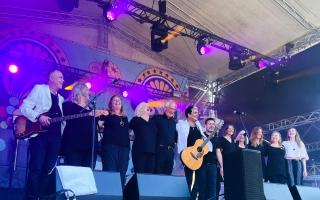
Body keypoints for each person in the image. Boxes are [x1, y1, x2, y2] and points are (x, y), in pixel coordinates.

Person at [19, 69, 65, 200]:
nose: (63, 80)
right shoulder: (40, 89)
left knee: (48, 170)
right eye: (60, 77)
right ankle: (31, 197)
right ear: (51, 78)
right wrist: (38, 117)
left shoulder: (61, 98)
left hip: (55, 139)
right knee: (36, 169)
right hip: (40, 137)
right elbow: (25, 107)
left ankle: (41, 196)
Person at [60, 83, 108, 168]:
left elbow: (97, 124)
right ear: (80, 91)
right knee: (74, 174)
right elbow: (72, 115)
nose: (89, 92)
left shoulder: (90, 108)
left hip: (90, 147)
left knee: (87, 175)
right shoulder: (69, 104)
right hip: (74, 146)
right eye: (86, 90)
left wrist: (104, 116)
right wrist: (90, 114)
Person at [176, 105, 212, 200]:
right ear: (188, 114)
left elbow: (204, 141)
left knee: (201, 183)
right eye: (195, 112)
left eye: (197, 112)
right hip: (188, 157)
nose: (197, 114)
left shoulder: (199, 126)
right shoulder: (181, 125)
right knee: (190, 183)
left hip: (199, 159)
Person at [100, 95, 130, 188]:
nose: (117, 102)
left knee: (122, 171)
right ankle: (109, 193)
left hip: (124, 148)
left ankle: (120, 194)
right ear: (111, 104)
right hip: (110, 146)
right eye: (115, 100)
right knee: (110, 171)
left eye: (119, 101)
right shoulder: (107, 114)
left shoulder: (125, 118)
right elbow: (98, 124)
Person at [129, 102, 157, 173]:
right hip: (139, 151)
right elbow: (126, 131)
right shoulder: (136, 120)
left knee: (150, 174)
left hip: (152, 152)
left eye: (148, 107)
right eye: (145, 106)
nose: (148, 107)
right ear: (140, 109)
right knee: (139, 172)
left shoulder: (153, 122)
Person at [152, 100, 177, 175]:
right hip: (160, 150)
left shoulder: (174, 122)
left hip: (170, 152)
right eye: (171, 108)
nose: (173, 111)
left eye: (174, 109)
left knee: (168, 173)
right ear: (166, 108)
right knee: (158, 173)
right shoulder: (157, 118)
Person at [216, 124, 237, 199]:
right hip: (225, 164)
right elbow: (218, 152)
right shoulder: (221, 139)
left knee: (232, 183)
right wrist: (221, 166)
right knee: (224, 183)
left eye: (232, 129)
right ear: (226, 130)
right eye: (229, 128)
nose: (231, 130)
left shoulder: (233, 141)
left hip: (233, 165)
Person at [202, 118, 220, 200]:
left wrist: (222, 166)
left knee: (212, 188)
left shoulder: (216, 138)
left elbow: (218, 152)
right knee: (202, 187)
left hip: (213, 166)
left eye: (213, 124)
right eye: (209, 123)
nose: (211, 125)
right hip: (201, 165)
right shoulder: (201, 136)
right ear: (205, 125)